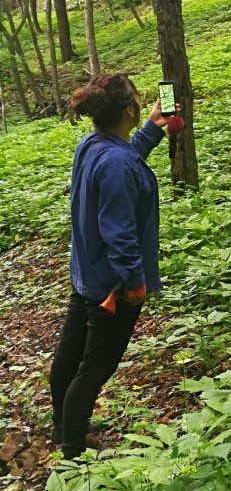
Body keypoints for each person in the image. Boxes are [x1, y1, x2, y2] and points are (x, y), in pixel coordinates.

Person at [49, 73, 173, 460]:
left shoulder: (93, 145)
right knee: (94, 367)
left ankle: (61, 427)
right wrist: (134, 282)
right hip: (111, 286)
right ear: (128, 109)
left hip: (87, 275)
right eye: (138, 100)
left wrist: (152, 130)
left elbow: (122, 160)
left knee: (70, 355)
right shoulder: (116, 162)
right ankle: (72, 452)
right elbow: (119, 233)